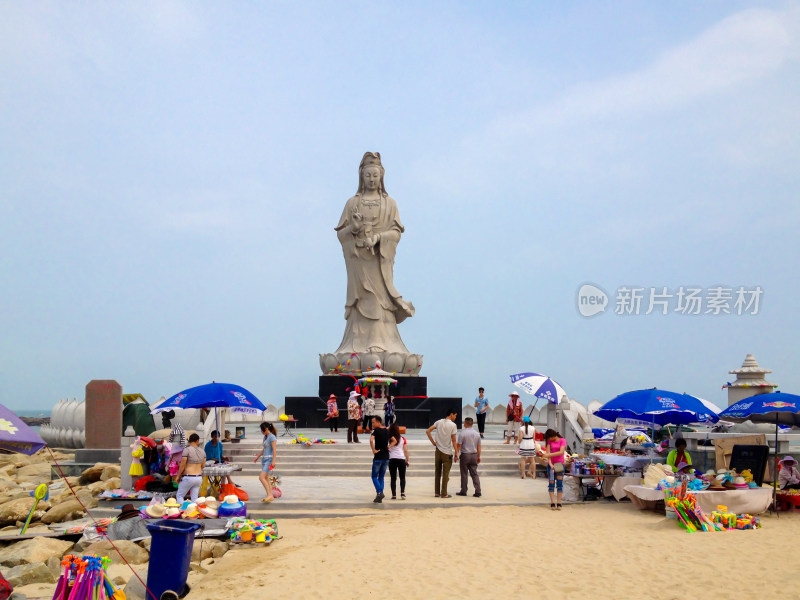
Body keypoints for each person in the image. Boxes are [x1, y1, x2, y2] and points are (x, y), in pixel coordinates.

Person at [333, 152, 415, 360]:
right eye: (368, 175)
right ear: (361, 176)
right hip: (360, 265)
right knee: (362, 301)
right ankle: (355, 344)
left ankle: (384, 342)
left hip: (379, 263)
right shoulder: (352, 203)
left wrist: (378, 238)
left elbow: (396, 233)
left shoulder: (390, 204)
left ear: (381, 176)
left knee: (381, 302)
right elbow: (341, 235)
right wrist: (353, 228)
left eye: (375, 175)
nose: (371, 179)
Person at [426, 409, 459, 498]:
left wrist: (433, 442)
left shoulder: (438, 422)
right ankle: (444, 493)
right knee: (445, 474)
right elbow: (454, 440)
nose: (455, 417)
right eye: (455, 415)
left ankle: (437, 492)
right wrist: (456, 453)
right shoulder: (453, 425)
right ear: (451, 414)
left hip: (438, 451)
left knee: (437, 472)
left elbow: (428, 431)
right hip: (447, 452)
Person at [175, 433, 205, 503]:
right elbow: (203, 466)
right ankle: (193, 512)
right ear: (197, 441)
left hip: (188, 477)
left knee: (179, 495)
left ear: (189, 441)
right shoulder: (203, 451)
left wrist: (178, 476)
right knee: (194, 498)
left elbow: (182, 464)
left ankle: (182, 511)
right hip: (198, 478)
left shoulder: (187, 450)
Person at [456, 417, 481, 497]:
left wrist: (456, 454)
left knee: (464, 474)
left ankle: (464, 490)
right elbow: (479, 447)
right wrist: (479, 456)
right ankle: (478, 491)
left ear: (465, 423)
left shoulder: (462, 433)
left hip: (465, 455)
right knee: (474, 474)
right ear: (472, 423)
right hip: (474, 455)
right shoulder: (477, 434)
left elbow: (459, 446)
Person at [542, 429, 566, 510]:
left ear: (553, 436)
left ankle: (559, 502)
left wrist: (548, 455)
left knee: (560, 484)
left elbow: (561, 452)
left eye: (549, 438)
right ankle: (552, 502)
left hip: (560, 464)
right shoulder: (549, 442)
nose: (549, 440)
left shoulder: (562, 440)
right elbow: (548, 453)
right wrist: (550, 463)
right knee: (551, 483)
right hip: (551, 464)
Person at [370, 416, 392, 503]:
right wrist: (388, 447)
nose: (372, 424)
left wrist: (374, 450)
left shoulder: (376, 431)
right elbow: (394, 440)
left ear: (378, 422)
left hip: (378, 457)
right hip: (386, 457)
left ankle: (379, 492)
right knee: (381, 476)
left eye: (373, 422)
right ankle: (380, 494)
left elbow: (371, 440)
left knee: (374, 476)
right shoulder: (387, 431)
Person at [253, 422, 277, 502]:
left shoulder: (272, 437)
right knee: (266, 478)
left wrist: (274, 461)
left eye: (262, 430)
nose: (261, 431)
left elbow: (274, 450)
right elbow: (264, 449)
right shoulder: (265, 437)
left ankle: (269, 495)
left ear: (266, 429)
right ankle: (271, 496)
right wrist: (258, 457)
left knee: (261, 477)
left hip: (269, 460)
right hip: (264, 459)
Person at [388, 422, 409, 500]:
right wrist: (408, 460)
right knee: (402, 477)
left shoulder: (389, 438)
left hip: (392, 459)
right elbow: (405, 450)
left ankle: (394, 495)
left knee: (393, 478)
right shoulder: (403, 439)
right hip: (401, 459)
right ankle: (402, 493)